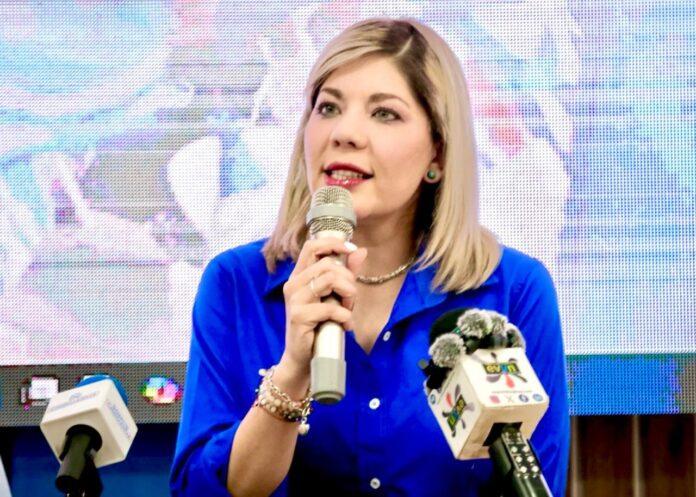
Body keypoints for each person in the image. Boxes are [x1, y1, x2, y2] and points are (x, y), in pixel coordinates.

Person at [170, 17, 569, 497]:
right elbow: (200, 490)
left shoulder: (512, 292)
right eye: (328, 107)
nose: (345, 133)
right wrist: (293, 372)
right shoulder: (236, 285)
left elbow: (537, 478)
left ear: (438, 153)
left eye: (384, 114)